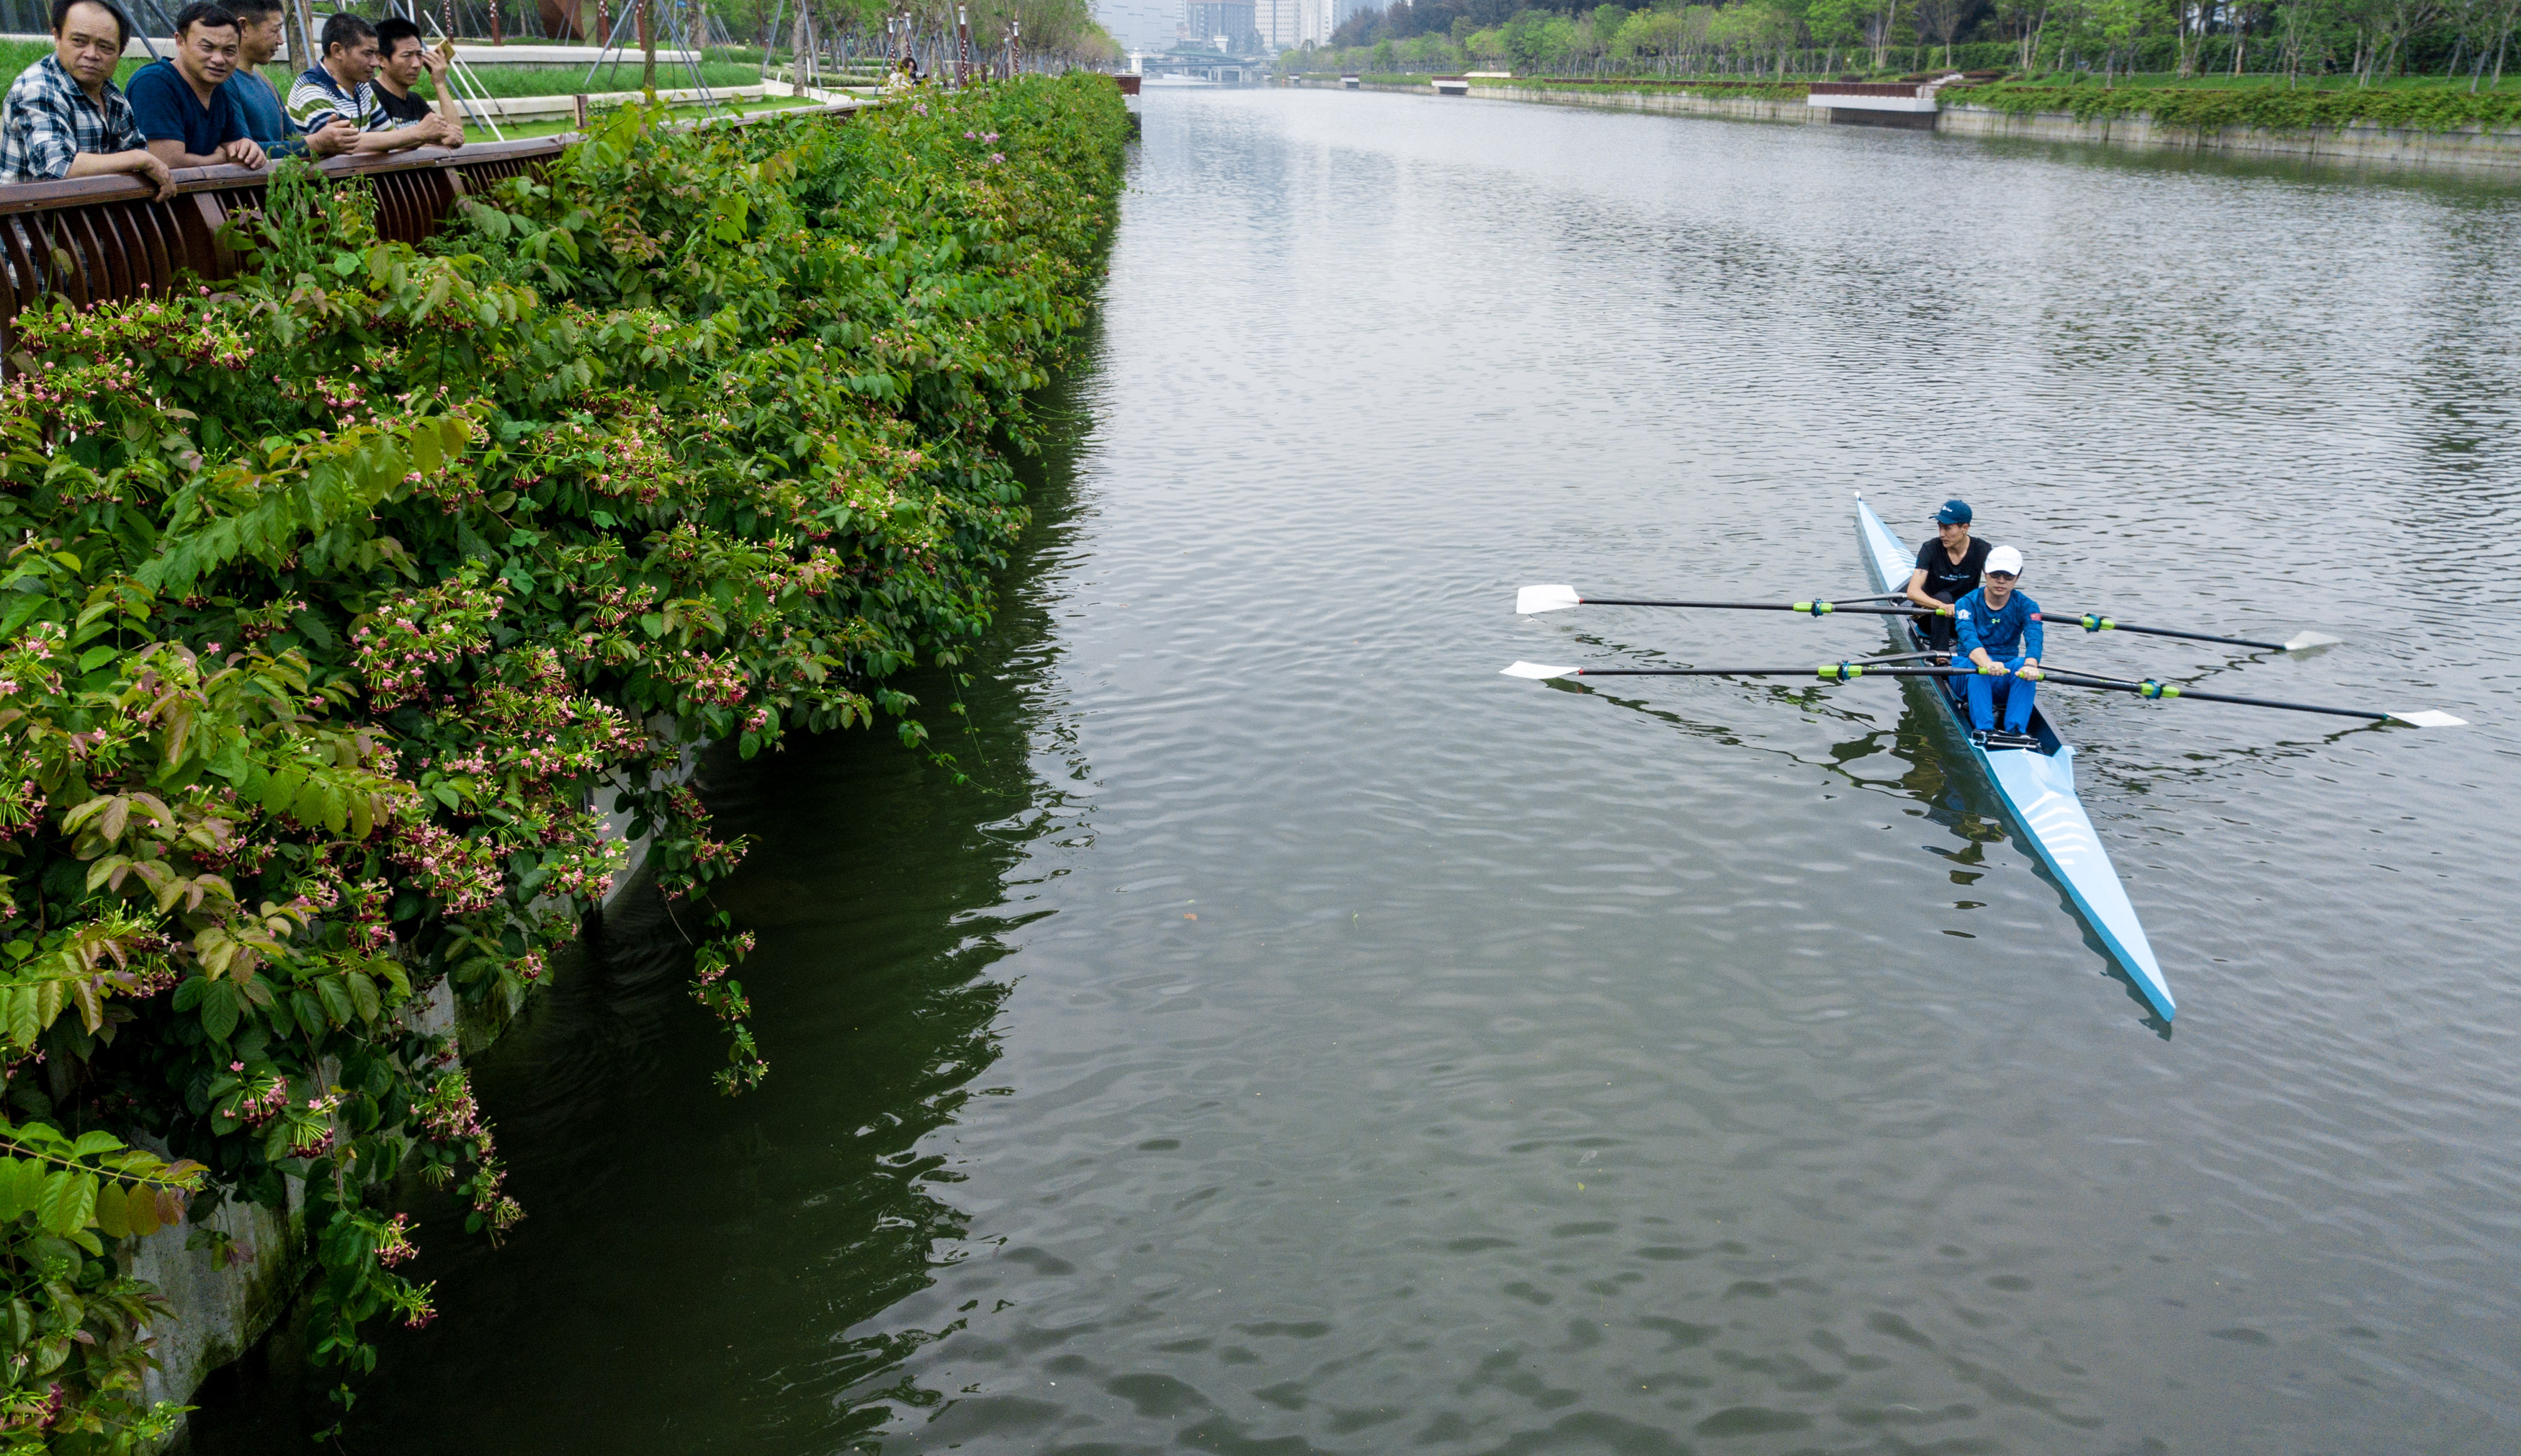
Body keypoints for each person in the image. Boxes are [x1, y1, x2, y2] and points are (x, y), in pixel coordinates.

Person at [0, 0, 173, 199]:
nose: (91, 54)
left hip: (90, 219)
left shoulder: (111, 94)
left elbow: (136, 151)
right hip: (34, 225)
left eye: (105, 47)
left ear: (121, 52)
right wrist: (138, 159)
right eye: (79, 41)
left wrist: (139, 159)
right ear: (57, 37)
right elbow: (57, 168)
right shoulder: (38, 88)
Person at [285, 12, 457, 153]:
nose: (375, 63)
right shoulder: (311, 89)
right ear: (337, 51)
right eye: (367, 54)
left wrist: (432, 136)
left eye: (376, 54)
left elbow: (390, 138)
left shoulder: (362, 88)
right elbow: (343, 144)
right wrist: (420, 133)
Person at [125, 2, 264, 172]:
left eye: (229, 51)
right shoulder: (153, 84)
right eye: (207, 48)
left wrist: (250, 149)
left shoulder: (218, 87)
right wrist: (219, 158)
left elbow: (235, 147)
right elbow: (166, 161)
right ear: (180, 41)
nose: (219, 59)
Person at [221, 0, 353, 159]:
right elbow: (244, 152)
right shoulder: (224, 82)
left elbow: (294, 139)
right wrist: (317, 143)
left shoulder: (264, 81)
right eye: (275, 30)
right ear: (243, 27)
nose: (281, 40)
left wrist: (328, 138)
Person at [1954, 544, 2043, 744]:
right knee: (1979, 669)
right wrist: (1986, 663)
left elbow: (2034, 638)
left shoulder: (2028, 606)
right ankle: (1984, 729)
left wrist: (2031, 665)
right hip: (1967, 672)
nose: (2001, 580)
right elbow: (1969, 639)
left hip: (2005, 672)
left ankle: (2016, 731)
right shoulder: (1966, 604)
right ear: (1985, 573)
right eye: (1995, 574)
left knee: (2022, 667)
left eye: (2008, 576)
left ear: (2018, 577)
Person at [1904, 498, 1987, 657]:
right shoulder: (1930, 548)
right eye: (1940, 527)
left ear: (1965, 528)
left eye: (1947, 528)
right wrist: (1942, 606)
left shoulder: (1982, 550)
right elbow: (1912, 592)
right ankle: (1940, 657)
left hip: (1962, 618)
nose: (1942, 534)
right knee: (1945, 597)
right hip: (1928, 616)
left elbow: (1996, 584)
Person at [370, 18, 464, 145]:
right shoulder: (371, 96)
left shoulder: (415, 101)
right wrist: (433, 141)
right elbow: (386, 146)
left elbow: (457, 136)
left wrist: (440, 84)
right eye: (406, 56)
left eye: (419, 55)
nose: (416, 64)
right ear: (381, 60)